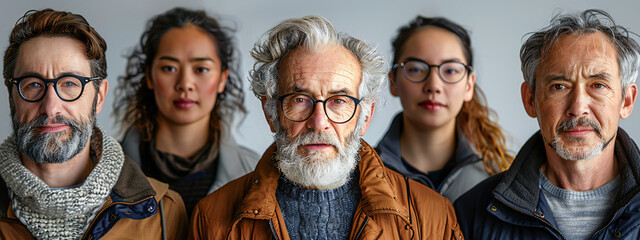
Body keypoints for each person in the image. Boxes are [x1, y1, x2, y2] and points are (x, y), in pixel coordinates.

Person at [189, 16, 464, 240]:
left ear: (364, 117)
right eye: (300, 99)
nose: (319, 122)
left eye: (339, 101)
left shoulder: (434, 218)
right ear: (270, 112)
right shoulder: (212, 219)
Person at [0, 9, 187, 239]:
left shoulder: (164, 213)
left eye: (70, 83)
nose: (51, 107)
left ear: (99, 97)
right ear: (12, 98)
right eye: (33, 84)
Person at [454, 9, 640, 239]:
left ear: (627, 100)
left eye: (598, 85)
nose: (578, 107)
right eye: (559, 86)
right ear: (530, 100)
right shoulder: (472, 214)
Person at [114, 7, 258, 216]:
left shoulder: (255, 173)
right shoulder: (101, 170)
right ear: (149, 76)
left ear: (222, 79)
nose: (185, 84)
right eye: (169, 68)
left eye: (201, 69)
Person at [377, 16, 513, 202]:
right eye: (416, 69)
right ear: (393, 82)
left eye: (450, 70)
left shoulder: (500, 179)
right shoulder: (364, 174)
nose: (433, 85)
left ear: (469, 86)